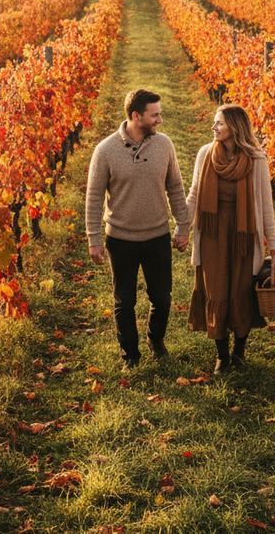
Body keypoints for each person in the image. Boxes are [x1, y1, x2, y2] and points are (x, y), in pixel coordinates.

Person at [85, 89, 190, 370]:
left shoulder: (164, 145)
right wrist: (94, 239)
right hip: (120, 239)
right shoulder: (105, 151)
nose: (160, 120)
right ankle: (129, 355)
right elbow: (94, 197)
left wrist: (183, 225)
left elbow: (175, 187)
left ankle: (156, 340)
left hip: (157, 236)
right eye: (155, 115)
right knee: (125, 300)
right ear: (135, 116)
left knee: (161, 298)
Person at [185, 104, 275, 374]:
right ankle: (221, 356)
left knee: (240, 289)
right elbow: (193, 195)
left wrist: (272, 242)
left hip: (244, 235)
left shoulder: (256, 159)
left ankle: (240, 350)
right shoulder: (205, 154)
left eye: (219, 124)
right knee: (216, 289)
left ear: (235, 128)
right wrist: (182, 227)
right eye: (215, 123)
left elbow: (265, 203)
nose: (214, 128)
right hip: (213, 234)